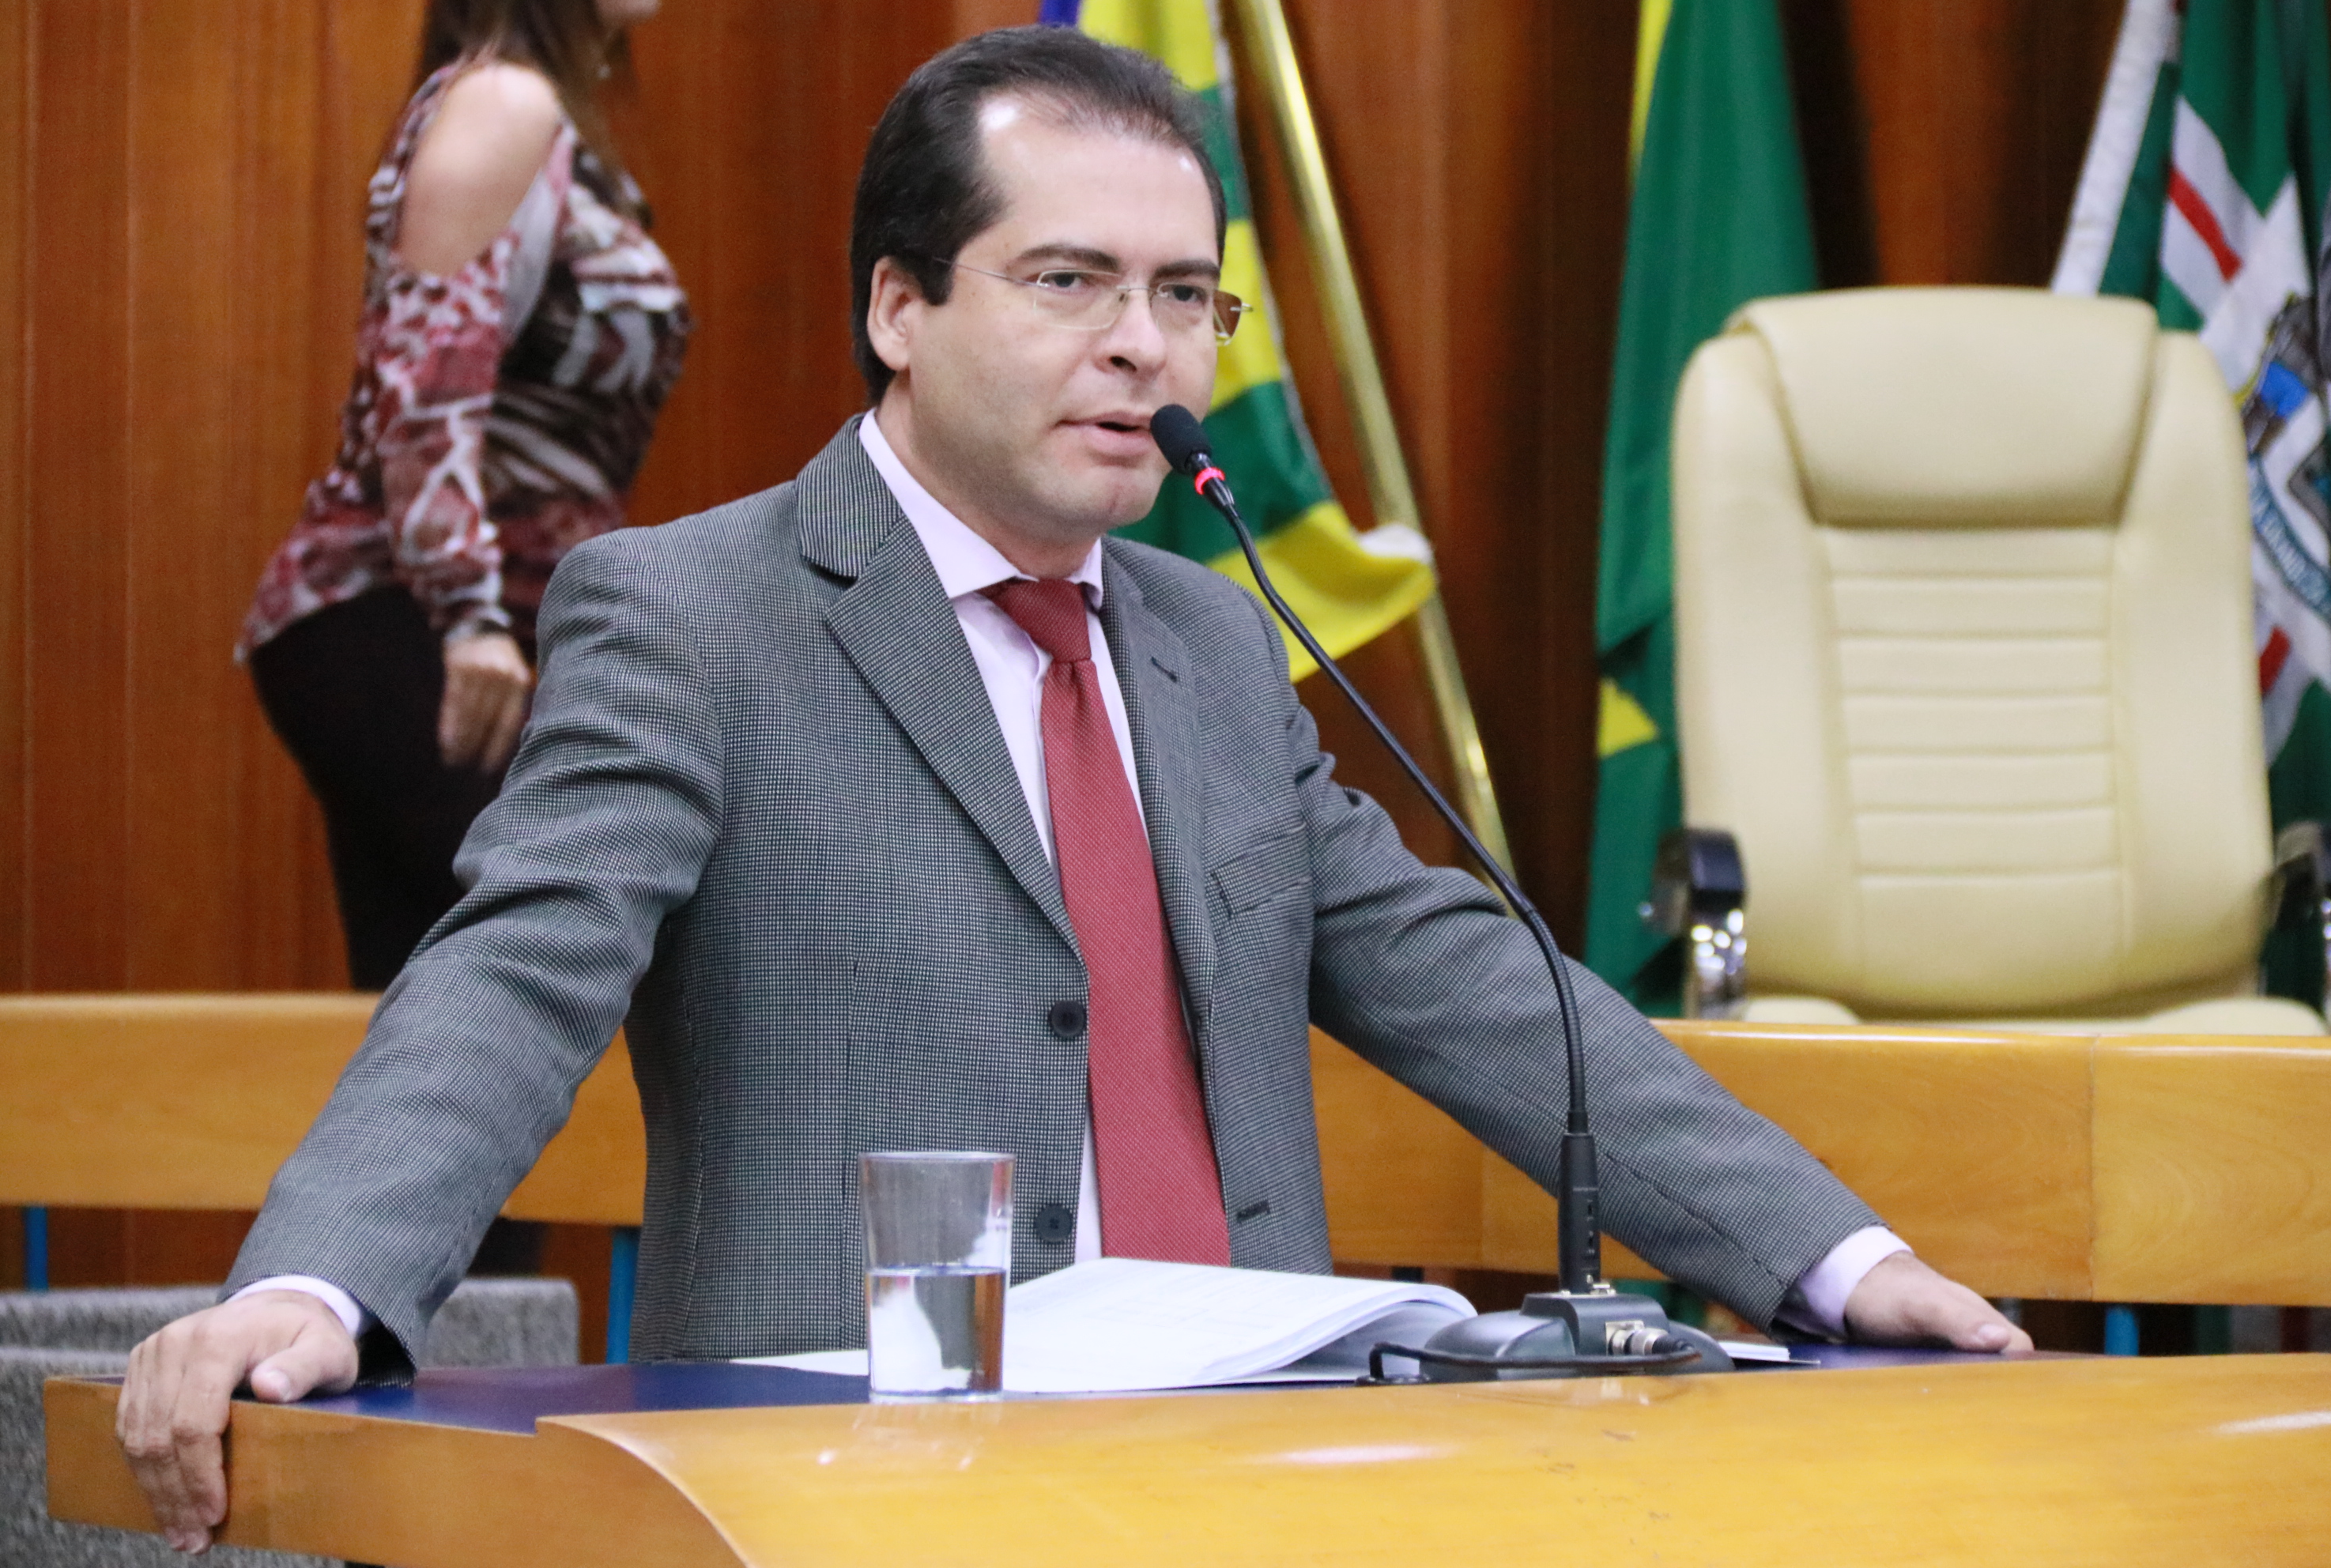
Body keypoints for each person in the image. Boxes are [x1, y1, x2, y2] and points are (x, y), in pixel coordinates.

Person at [120, 26, 2026, 1553]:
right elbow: (512, 973)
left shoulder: (1212, 641)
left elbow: (1460, 975)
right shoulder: (698, 612)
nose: (1145, 345)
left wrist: (1833, 1258)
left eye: (1187, 295)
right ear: (899, 307)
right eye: (1070, 281)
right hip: (843, 1487)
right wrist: (319, 1283)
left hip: (1254, 1479)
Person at [240, 0, 688, 993]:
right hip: (406, 618)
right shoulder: (503, 100)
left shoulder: (547, 117)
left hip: (462, 626)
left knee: (427, 1008)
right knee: (534, 970)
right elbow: (424, 383)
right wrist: (468, 617)